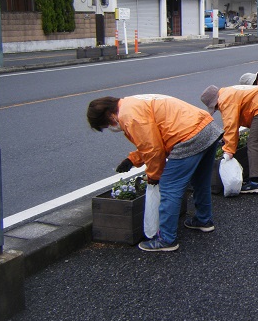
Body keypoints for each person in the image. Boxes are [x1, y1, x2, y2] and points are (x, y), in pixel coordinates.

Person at [87, 94, 223, 252]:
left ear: (109, 115)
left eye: (105, 125)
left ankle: (166, 239)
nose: (109, 128)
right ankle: (203, 220)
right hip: (207, 127)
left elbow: (154, 149)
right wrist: (133, 160)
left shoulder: (129, 116)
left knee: (169, 186)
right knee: (201, 180)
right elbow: (154, 139)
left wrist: (153, 176)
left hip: (188, 136)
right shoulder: (132, 102)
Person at [201, 83, 258, 194]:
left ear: (215, 101)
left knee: (253, 144)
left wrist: (229, 150)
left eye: (215, 107)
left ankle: (254, 182)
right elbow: (236, 120)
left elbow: (231, 125)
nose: (218, 109)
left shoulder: (225, 100)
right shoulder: (229, 91)